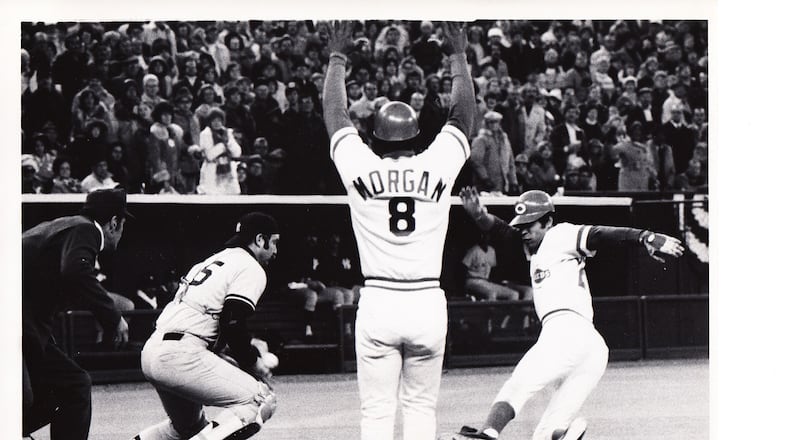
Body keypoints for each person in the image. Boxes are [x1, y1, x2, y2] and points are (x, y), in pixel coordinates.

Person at [322, 21, 474, 440]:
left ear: (374, 140)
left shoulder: (361, 164)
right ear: (416, 136)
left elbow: (335, 115)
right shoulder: (436, 161)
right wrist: (458, 55)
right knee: (421, 410)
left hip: (380, 299)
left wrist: (338, 57)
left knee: (375, 414)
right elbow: (463, 117)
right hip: (427, 299)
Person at [448, 187, 684, 440]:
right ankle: (564, 434)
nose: (525, 231)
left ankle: (488, 432)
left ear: (548, 221)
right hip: (591, 348)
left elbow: (599, 233)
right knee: (544, 434)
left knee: (519, 384)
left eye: (531, 224)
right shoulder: (539, 247)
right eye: (522, 226)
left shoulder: (558, 235)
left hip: (566, 331)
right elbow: (503, 231)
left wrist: (645, 236)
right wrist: (480, 216)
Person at [133, 212, 280, 440]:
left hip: (155, 350)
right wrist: (253, 362)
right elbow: (233, 321)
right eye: (274, 242)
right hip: (181, 354)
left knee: (188, 428)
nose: (275, 251)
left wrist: (224, 355)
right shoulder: (251, 266)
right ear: (260, 240)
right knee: (260, 400)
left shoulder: (212, 260)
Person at [23, 188, 131, 439]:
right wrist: (113, 317)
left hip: (24, 324)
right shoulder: (86, 229)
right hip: (14, 321)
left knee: (72, 386)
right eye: (123, 224)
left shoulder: (65, 226)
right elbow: (76, 272)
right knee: (25, 398)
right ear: (114, 223)